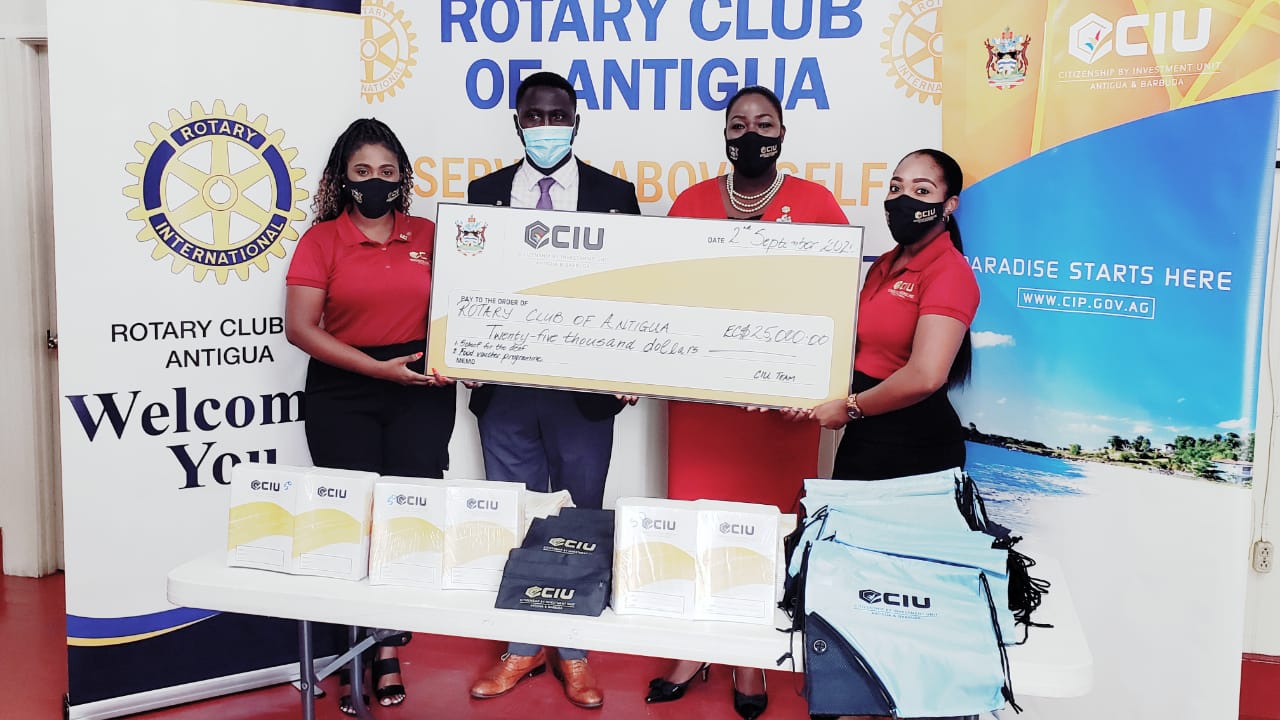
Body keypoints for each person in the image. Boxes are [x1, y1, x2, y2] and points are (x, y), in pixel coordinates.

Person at [652, 85, 849, 720]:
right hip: (703, 406)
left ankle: (749, 658)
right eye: (738, 124)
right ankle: (695, 647)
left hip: (778, 411)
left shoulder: (816, 205)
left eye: (764, 123)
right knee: (699, 520)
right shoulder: (690, 204)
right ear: (725, 136)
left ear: (782, 134)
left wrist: (814, 387)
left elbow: (834, 306)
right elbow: (660, 296)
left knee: (767, 528)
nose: (751, 133)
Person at [465, 70, 641, 711]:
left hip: (583, 394)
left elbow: (634, 289)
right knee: (515, 515)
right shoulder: (483, 194)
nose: (546, 126)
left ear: (576, 121)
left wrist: (634, 364)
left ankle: (572, 650)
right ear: (517, 122)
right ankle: (520, 647)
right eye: (534, 116)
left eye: (557, 115)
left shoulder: (615, 196)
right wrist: (463, 347)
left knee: (579, 519)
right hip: (507, 390)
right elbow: (468, 284)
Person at [284, 118, 456, 715]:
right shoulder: (321, 240)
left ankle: (385, 649)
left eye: (387, 171)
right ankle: (352, 648)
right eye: (362, 171)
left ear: (402, 177)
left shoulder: (430, 234)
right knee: (350, 520)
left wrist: (460, 357)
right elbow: (300, 328)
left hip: (420, 389)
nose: (375, 181)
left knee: (405, 518)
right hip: (343, 389)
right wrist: (376, 370)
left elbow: (464, 306)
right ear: (342, 177)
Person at [806, 148, 979, 720]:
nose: (905, 200)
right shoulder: (884, 264)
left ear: (950, 206)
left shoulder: (950, 272)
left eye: (923, 191)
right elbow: (856, 352)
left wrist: (850, 409)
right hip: (866, 438)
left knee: (906, 596)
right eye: (898, 186)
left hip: (916, 449)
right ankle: (853, 701)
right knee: (855, 581)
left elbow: (926, 375)